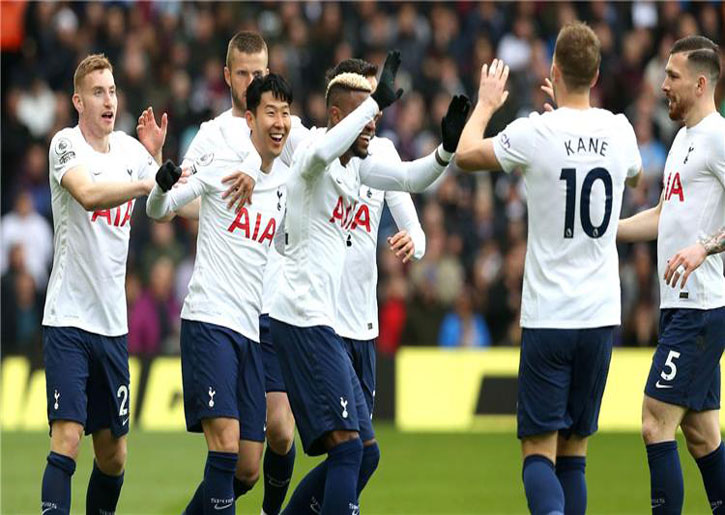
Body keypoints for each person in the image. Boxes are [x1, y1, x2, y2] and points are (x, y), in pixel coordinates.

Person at [269, 50, 469, 515]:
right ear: (339, 115)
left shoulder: (361, 162)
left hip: (339, 321)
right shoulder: (311, 151)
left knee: (364, 452)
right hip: (306, 318)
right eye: (366, 115)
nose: (374, 125)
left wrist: (445, 152)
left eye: (376, 114)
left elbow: (409, 178)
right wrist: (374, 102)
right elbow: (322, 150)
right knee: (347, 450)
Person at [455, 23, 642, 515]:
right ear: (596, 75)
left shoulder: (534, 133)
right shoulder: (620, 130)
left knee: (538, 450)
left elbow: (465, 154)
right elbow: (634, 174)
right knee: (575, 452)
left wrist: (486, 104)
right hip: (600, 317)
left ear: (553, 71)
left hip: (550, 316)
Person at [146, 74, 293, 515]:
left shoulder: (286, 184)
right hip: (210, 320)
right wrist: (161, 184)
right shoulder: (219, 165)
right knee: (225, 447)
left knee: (247, 468)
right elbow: (159, 210)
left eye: (285, 113)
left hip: (250, 331)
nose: (279, 122)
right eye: (270, 112)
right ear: (250, 119)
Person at [40, 53, 163, 515]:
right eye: (97, 92)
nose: (109, 100)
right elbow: (89, 195)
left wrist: (157, 161)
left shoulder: (131, 151)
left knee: (113, 457)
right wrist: (144, 183)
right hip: (68, 319)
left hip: (112, 326)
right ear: (79, 101)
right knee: (68, 439)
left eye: (112, 91)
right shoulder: (65, 144)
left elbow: (166, 204)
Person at [617, 35, 725, 515]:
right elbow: (664, 215)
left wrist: (705, 247)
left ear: (700, 84)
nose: (662, 85)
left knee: (654, 422)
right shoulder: (683, 139)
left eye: (672, 76)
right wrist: (605, 232)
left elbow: (698, 236)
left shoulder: (718, 137)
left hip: (700, 309)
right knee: (701, 436)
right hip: (681, 306)